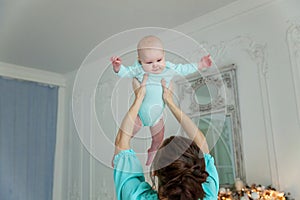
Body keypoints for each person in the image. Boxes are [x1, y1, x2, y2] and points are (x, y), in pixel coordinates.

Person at [113, 74, 219, 200]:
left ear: (155, 172)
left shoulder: (136, 197)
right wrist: (170, 102)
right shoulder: (208, 194)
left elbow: (121, 141)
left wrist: (139, 98)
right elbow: (202, 143)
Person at [111, 35, 212, 165]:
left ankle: (152, 151)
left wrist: (200, 64)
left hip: (157, 117)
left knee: (158, 140)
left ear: (164, 55)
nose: (155, 65)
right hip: (140, 115)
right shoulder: (139, 70)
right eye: (149, 62)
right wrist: (117, 67)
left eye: (159, 60)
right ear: (140, 61)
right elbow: (126, 72)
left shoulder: (169, 69)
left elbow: (184, 69)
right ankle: (116, 155)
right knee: (125, 137)